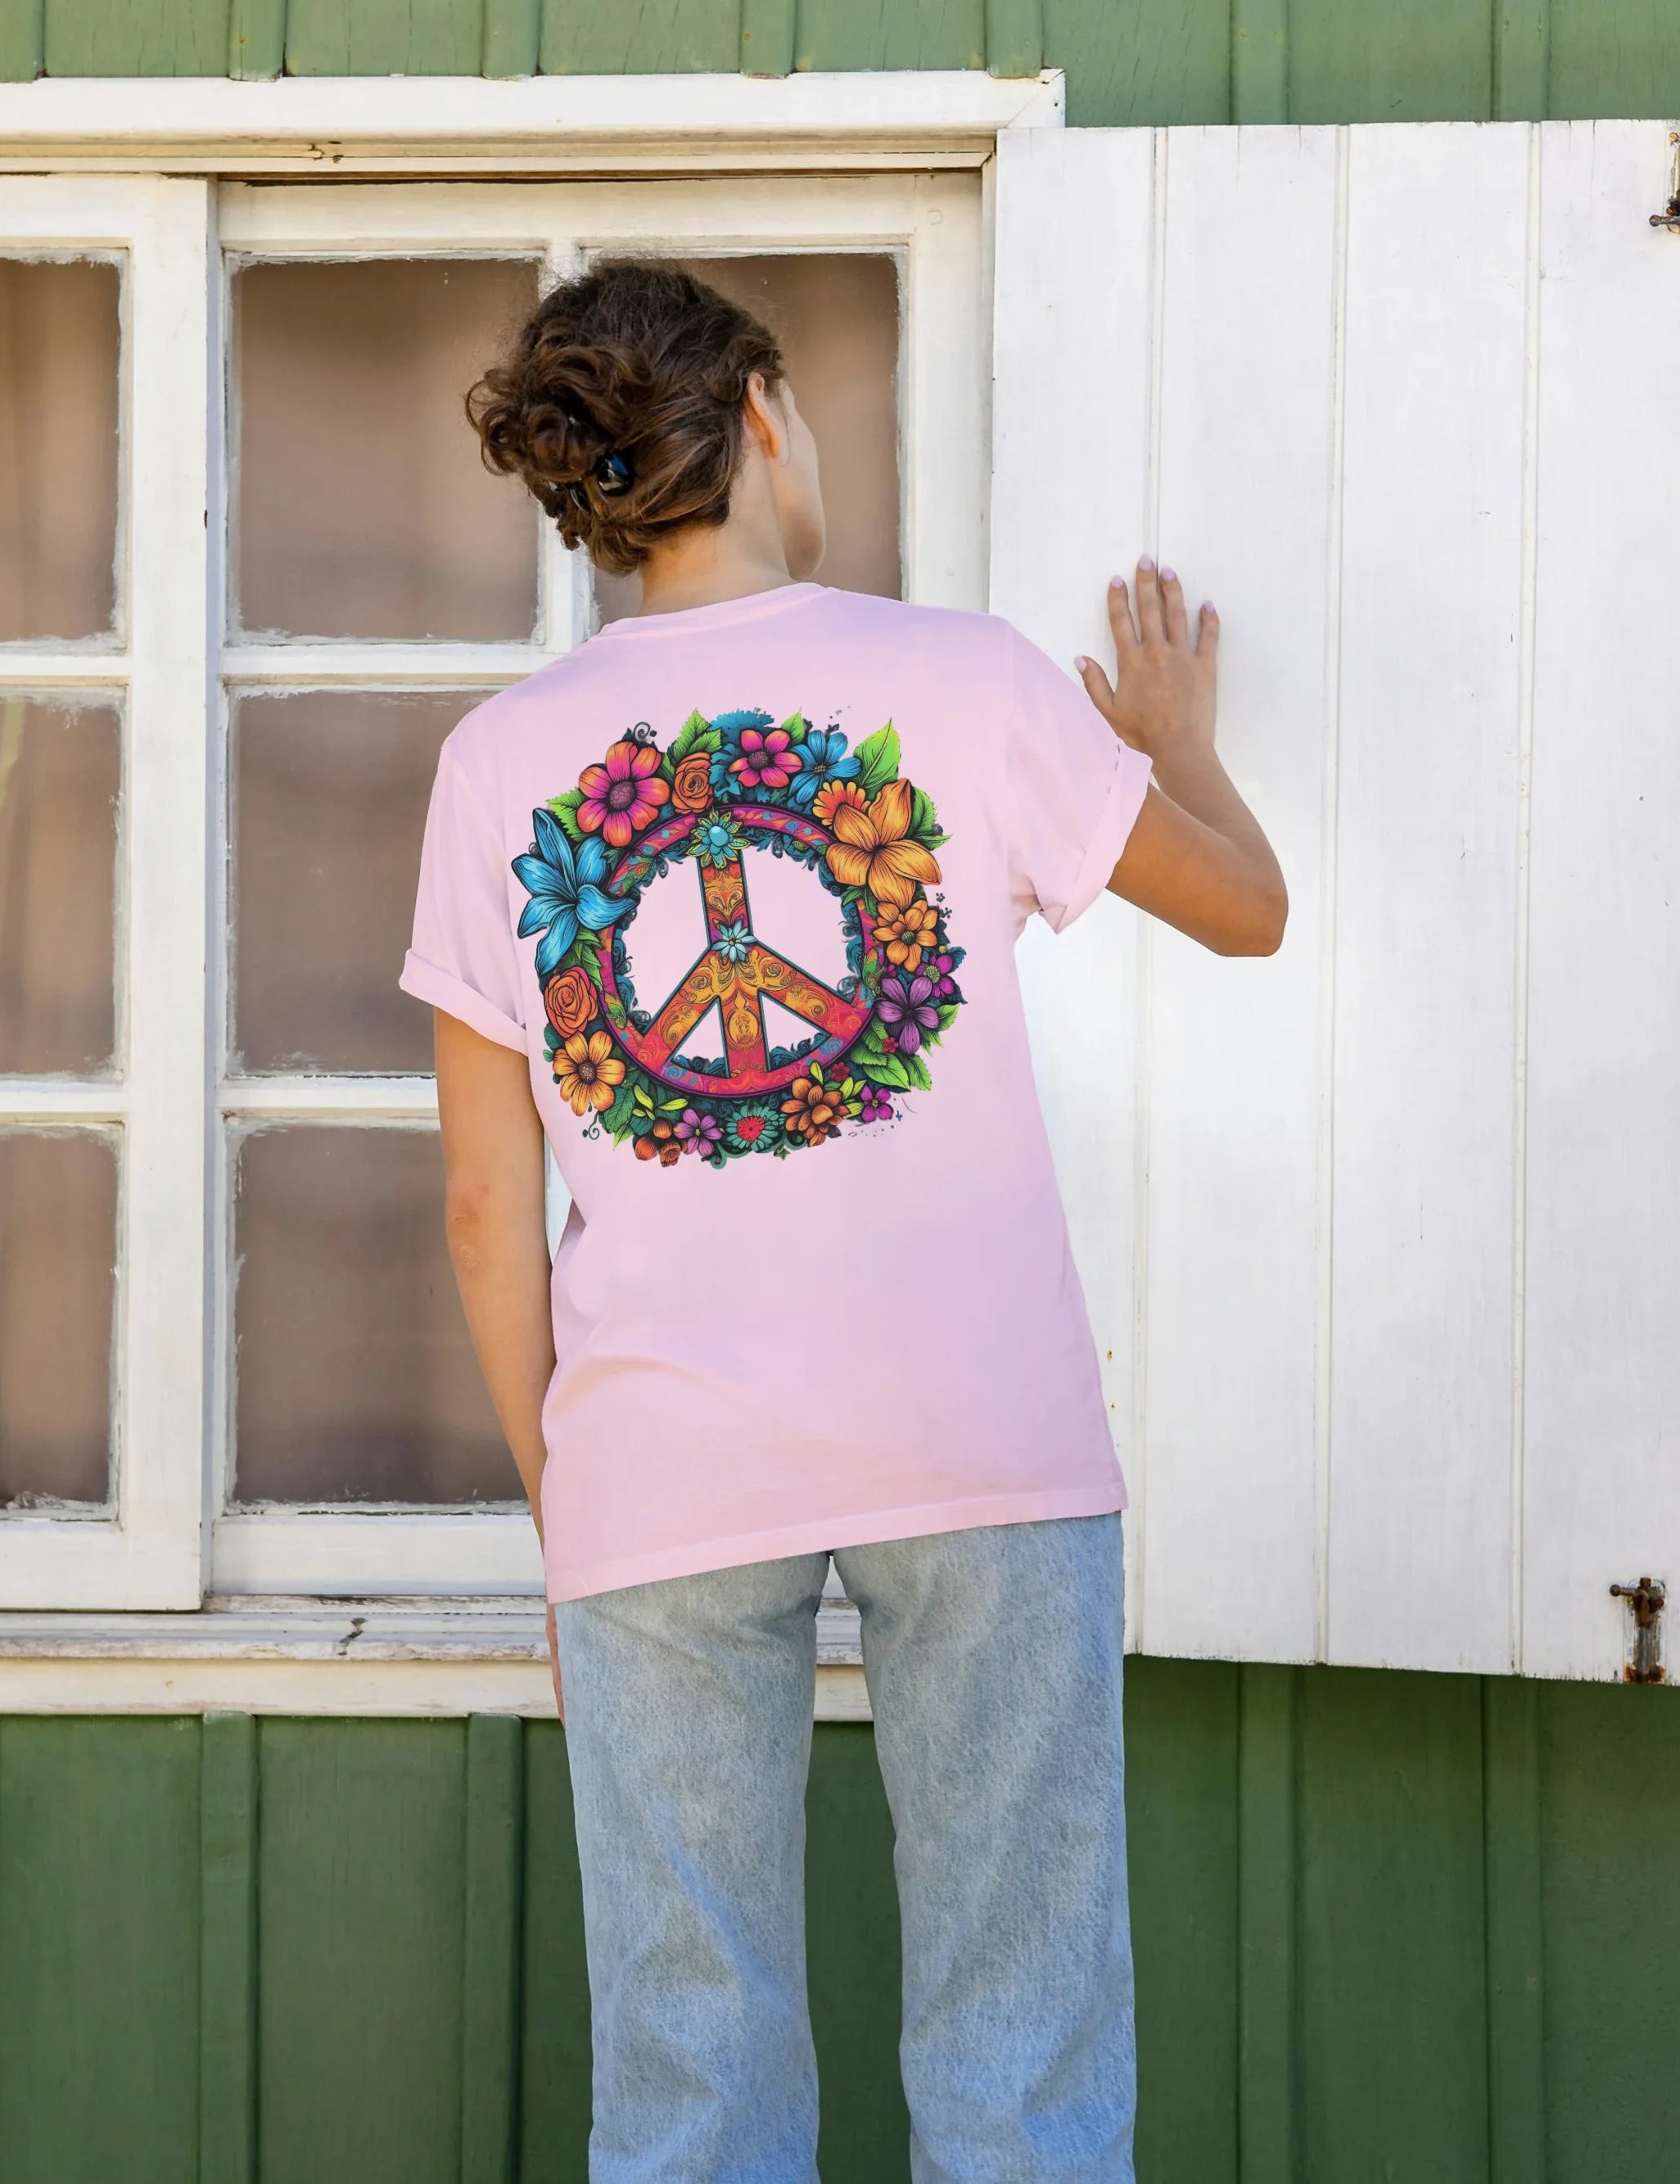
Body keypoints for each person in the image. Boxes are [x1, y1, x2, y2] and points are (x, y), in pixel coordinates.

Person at [403, 263, 1285, 2182]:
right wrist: (1169, 743)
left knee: (689, 2070)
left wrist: (569, 1509)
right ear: (762, 420)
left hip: (658, 1460)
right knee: (1020, 2040)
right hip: (980, 1438)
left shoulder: (494, 763)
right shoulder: (963, 679)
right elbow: (1247, 909)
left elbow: (483, 1203)